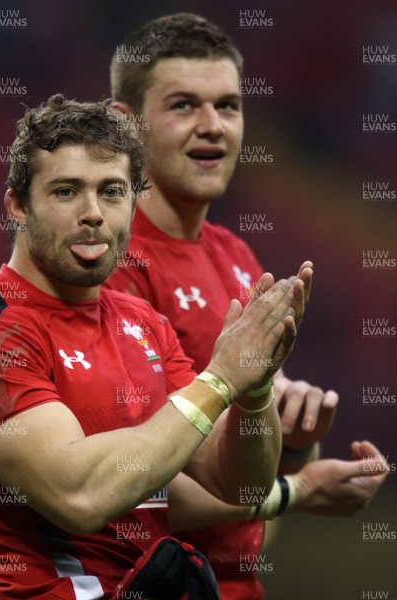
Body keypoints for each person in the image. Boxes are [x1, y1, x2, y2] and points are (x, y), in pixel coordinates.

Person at [0, 93, 316, 599]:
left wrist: (254, 389)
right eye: (66, 192)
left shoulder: (143, 322)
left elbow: (238, 484)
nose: (92, 214)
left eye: (111, 191)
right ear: (17, 206)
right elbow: (79, 494)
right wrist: (220, 380)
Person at [107, 13, 389, 599]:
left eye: (228, 106)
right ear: (125, 124)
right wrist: (301, 490)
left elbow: (249, 463)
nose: (213, 127)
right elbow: (124, 490)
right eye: (183, 105)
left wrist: (292, 436)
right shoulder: (107, 263)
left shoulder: (236, 256)